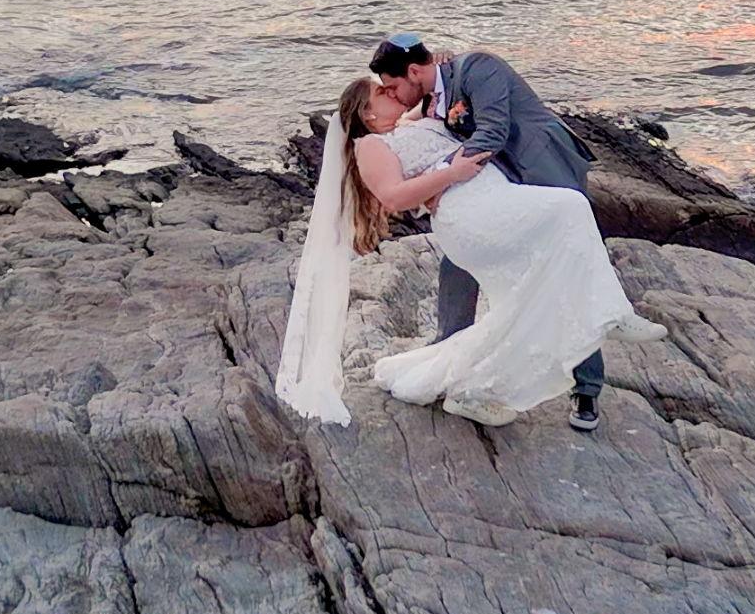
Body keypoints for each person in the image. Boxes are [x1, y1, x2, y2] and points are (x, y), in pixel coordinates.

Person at [273, 65, 662, 432]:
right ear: (367, 113)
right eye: (381, 92)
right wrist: (451, 174)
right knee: (571, 208)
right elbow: (394, 198)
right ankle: (611, 315)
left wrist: (443, 68)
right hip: (471, 214)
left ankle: (474, 390)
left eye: (389, 86)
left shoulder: (412, 122)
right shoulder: (370, 145)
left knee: (523, 301)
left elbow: (438, 87)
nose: (390, 92)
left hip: (494, 199)